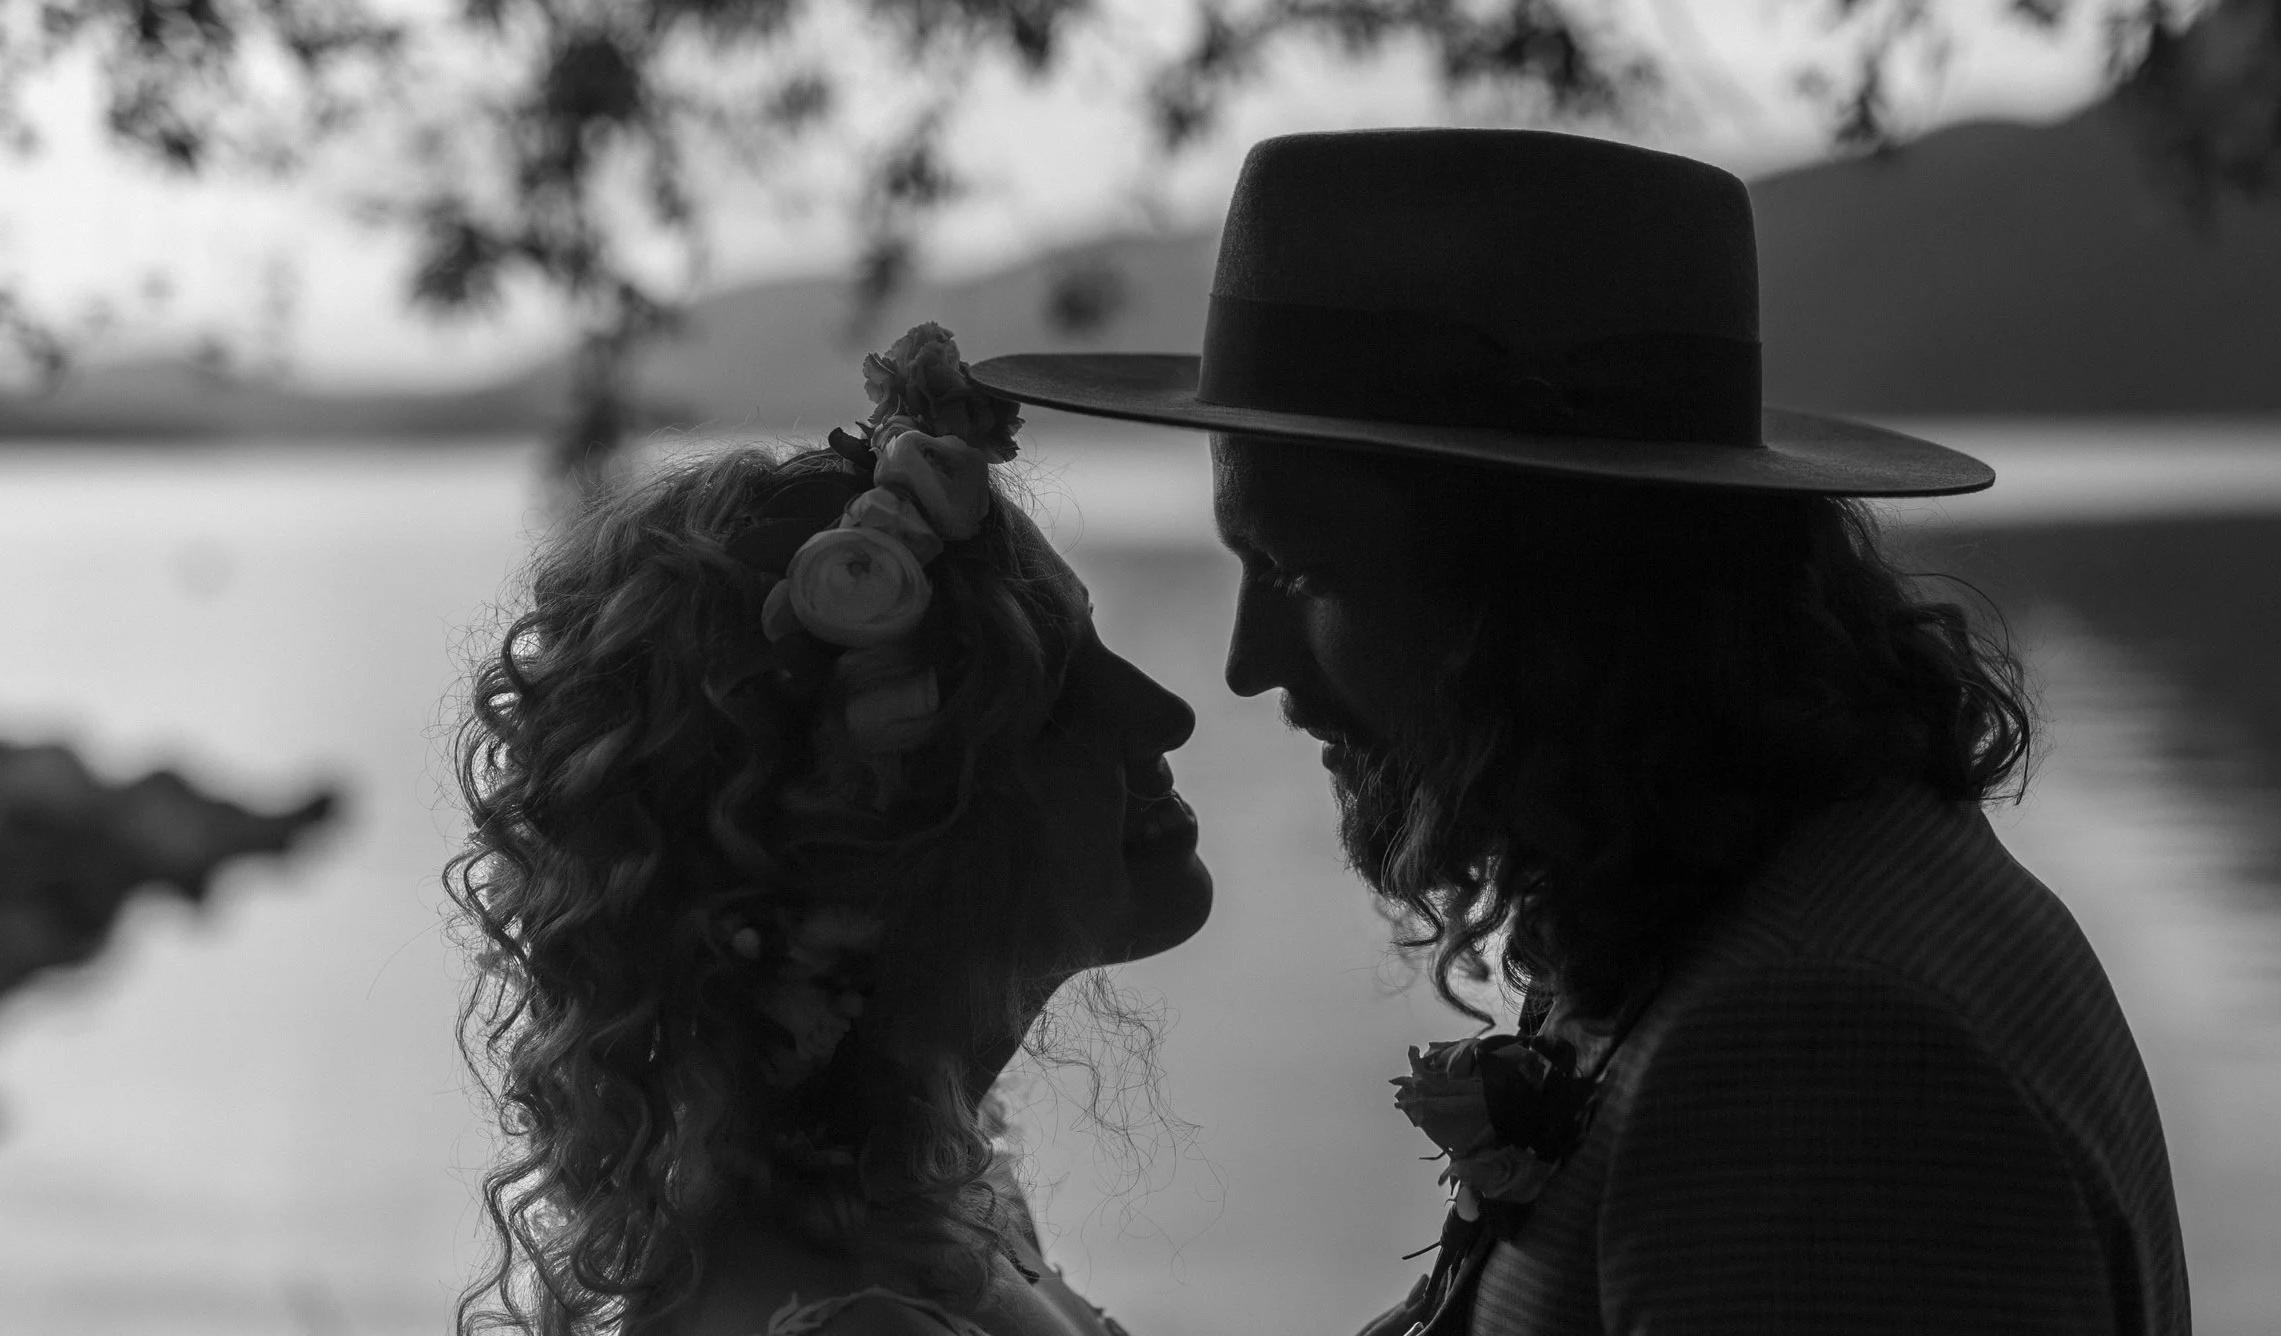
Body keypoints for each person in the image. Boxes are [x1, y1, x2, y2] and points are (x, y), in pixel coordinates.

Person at [971, 127, 2192, 1335]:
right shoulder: (1737, 893)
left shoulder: (1820, 1047)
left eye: (1301, 572)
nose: (1245, 666)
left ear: (1548, 589)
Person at [448, 324, 1208, 1336]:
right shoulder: (858, 1318)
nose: (1163, 714)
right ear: (852, 823)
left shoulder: (932, 1211)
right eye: (1054, 690)